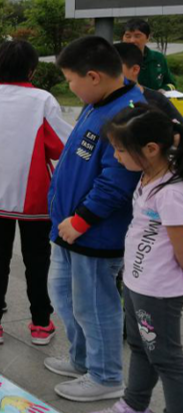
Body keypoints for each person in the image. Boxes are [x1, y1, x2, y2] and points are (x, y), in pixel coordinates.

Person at [46, 36, 145, 402]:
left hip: (94, 232)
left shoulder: (127, 113)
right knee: (64, 295)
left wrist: (82, 220)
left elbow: (117, 181)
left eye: (70, 80)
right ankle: (83, 359)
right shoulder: (98, 102)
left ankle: (106, 376)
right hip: (69, 228)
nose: (69, 87)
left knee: (95, 305)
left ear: (93, 76)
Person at [0, 40, 72, 346]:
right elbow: (61, 146)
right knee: (37, 259)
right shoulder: (42, 100)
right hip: (34, 196)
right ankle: (41, 324)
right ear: (32, 70)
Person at [91, 105, 183, 413]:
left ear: (151, 149)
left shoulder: (171, 191)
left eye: (121, 150)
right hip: (136, 282)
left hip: (158, 290)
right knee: (140, 346)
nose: (116, 156)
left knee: (166, 358)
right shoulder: (147, 175)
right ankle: (134, 404)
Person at [114, 42, 183, 123]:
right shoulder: (103, 100)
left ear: (135, 69)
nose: (107, 72)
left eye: (114, 67)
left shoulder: (157, 100)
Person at [122, 18, 176, 91]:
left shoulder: (158, 58)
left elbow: (170, 83)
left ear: (148, 38)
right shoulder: (115, 59)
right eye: (128, 36)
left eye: (137, 36)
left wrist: (163, 90)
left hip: (156, 98)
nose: (132, 40)